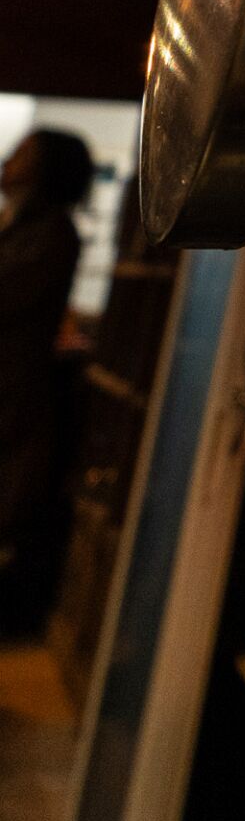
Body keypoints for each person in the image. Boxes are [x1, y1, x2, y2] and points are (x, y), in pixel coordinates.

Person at [0, 129, 92, 568]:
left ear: (47, 170)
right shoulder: (24, 226)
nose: (8, 161)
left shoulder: (52, 233)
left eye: (22, 154)